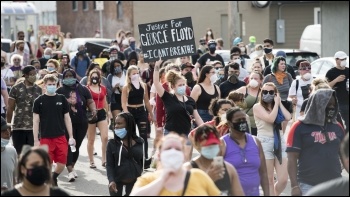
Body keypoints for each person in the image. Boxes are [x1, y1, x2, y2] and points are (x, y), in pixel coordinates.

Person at [286, 89, 345, 195]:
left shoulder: (337, 127)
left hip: (335, 184)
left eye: (333, 105)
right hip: (308, 185)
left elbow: (345, 156)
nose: (331, 108)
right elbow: (292, 157)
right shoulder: (299, 126)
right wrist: (294, 186)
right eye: (328, 104)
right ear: (318, 104)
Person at [130, 133, 221, 196]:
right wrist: (162, 179)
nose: (173, 151)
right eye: (168, 148)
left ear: (184, 155)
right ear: (159, 155)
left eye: (177, 149)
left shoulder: (198, 176)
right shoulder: (148, 179)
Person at [153, 60, 203, 161]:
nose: (182, 87)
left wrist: (205, 127)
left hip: (186, 135)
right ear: (173, 87)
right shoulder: (168, 97)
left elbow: (197, 117)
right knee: (171, 161)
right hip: (170, 134)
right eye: (180, 85)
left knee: (186, 162)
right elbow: (156, 83)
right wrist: (157, 66)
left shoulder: (190, 101)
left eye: (183, 84)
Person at [32, 74, 76, 187]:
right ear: (44, 85)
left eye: (53, 84)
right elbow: (35, 121)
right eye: (49, 84)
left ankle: (53, 177)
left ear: (57, 85)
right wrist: (36, 140)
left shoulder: (61, 99)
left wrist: (71, 136)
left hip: (60, 137)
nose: (51, 86)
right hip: (45, 138)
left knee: (62, 163)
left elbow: (67, 118)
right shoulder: (39, 101)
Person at [56, 69, 96, 181]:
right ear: (63, 78)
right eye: (66, 76)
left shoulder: (83, 89)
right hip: (65, 122)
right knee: (69, 144)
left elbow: (90, 101)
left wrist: (93, 109)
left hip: (82, 121)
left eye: (71, 76)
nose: (69, 78)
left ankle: (72, 166)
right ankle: (69, 170)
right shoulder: (60, 90)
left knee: (76, 145)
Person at [253, 82, 292, 196]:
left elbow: (288, 117)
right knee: (269, 179)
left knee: (283, 179)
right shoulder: (257, 107)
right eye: (265, 92)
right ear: (261, 93)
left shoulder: (277, 106)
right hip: (265, 142)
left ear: (276, 94)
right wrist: (276, 105)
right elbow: (270, 119)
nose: (268, 94)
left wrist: (278, 103)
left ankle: (274, 194)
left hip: (279, 141)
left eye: (271, 92)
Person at [184, 124, 245, 196]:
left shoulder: (229, 169)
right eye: (206, 145)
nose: (211, 147)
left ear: (220, 143)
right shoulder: (188, 170)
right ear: (197, 145)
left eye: (213, 144)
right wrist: (207, 180)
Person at [221, 107, 269, 196]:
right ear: (229, 123)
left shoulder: (256, 142)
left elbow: (263, 173)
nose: (242, 122)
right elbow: (215, 174)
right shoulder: (222, 144)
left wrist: (267, 194)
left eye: (244, 119)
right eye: (238, 120)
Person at [1, 145, 70, 196]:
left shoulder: (60, 194)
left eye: (44, 165)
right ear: (22, 169)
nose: (40, 168)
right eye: (34, 165)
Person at [106, 112, 145, 196]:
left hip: (134, 182)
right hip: (116, 182)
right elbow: (109, 165)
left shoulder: (140, 142)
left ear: (129, 125)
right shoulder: (112, 144)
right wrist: (111, 181)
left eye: (119, 123)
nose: (116, 126)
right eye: (115, 123)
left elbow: (141, 163)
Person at [7, 66, 41, 154]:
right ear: (25, 75)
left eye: (35, 74)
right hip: (18, 126)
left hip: (33, 128)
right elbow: (10, 108)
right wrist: (9, 125)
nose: (34, 76)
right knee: (19, 153)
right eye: (31, 74)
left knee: (31, 154)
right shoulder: (16, 88)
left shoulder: (39, 90)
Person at [121, 65, 153, 159]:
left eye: (137, 73)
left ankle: (145, 157)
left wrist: (151, 114)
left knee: (143, 135)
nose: (136, 75)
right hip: (130, 110)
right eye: (133, 73)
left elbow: (146, 101)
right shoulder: (126, 87)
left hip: (141, 111)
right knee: (131, 135)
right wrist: (127, 114)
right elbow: (123, 103)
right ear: (129, 75)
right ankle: (132, 156)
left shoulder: (143, 85)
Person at [263, 56, 294, 134]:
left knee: (284, 125)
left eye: (284, 64)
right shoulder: (269, 77)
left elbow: (292, 89)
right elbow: (263, 91)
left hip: (286, 103)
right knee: (275, 124)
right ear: (276, 65)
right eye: (281, 64)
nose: (284, 65)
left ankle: (282, 139)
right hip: (273, 103)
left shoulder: (288, 76)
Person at [85, 69, 109, 168]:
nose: (94, 78)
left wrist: (108, 114)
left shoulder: (103, 88)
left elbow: (105, 101)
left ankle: (104, 159)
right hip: (91, 114)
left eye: (96, 76)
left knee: (105, 137)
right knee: (91, 139)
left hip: (101, 112)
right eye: (93, 76)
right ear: (90, 78)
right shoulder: (86, 88)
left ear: (99, 78)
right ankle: (91, 161)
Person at [326, 51, 349, 133]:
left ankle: (345, 142)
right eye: (342, 59)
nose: (344, 61)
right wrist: (336, 80)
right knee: (339, 124)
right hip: (338, 102)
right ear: (336, 60)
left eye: (345, 59)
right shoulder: (331, 72)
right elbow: (326, 87)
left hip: (347, 101)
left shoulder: (348, 70)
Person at [1, 117, 17, 191]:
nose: (8, 133)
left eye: (7, 129)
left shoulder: (12, 151)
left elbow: (14, 179)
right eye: (3, 131)